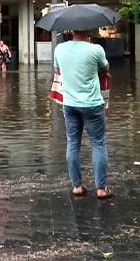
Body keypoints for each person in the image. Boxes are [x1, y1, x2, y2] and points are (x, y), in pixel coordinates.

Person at [53, 29, 112, 199]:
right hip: (92, 104)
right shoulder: (96, 49)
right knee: (98, 144)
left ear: (72, 31)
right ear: (88, 31)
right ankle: (101, 189)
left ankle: (77, 186)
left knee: (72, 143)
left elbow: (58, 72)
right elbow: (105, 67)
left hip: (70, 104)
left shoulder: (60, 49)